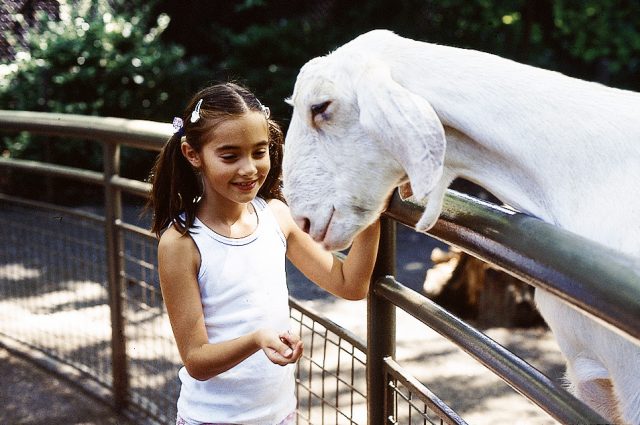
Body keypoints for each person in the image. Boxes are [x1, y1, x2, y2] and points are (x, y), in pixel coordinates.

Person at [147, 82, 380, 425]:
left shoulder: (276, 216)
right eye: (230, 156)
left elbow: (349, 284)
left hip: (280, 416)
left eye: (259, 152)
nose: (249, 169)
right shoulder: (181, 243)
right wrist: (257, 340)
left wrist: (371, 210)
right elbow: (196, 360)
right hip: (213, 420)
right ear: (192, 154)